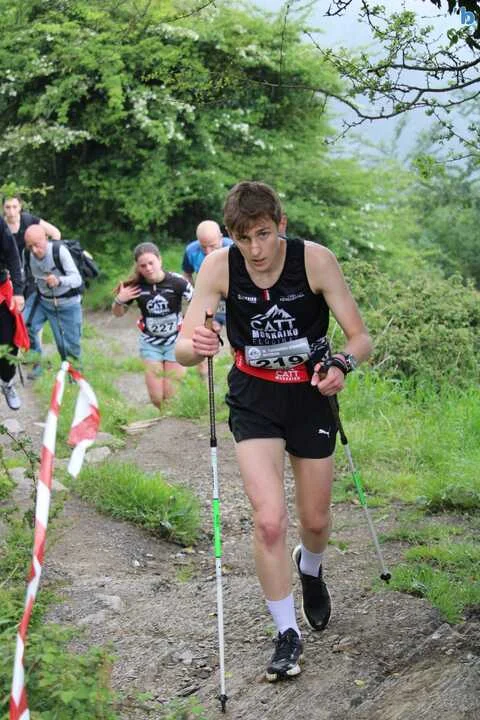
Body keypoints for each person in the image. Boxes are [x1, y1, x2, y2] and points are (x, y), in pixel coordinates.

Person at [176, 181, 372, 682]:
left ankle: (311, 567)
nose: (256, 250)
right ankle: (287, 633)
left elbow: (360, 338)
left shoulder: (315, 261)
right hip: (255, 398)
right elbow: (182, 349)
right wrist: (198, 345)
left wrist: (342, 365)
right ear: (230, 235)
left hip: (309, 395)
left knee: (316, 520)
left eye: (263, 234)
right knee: (268, 521)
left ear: (281, 225)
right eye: (243, 238)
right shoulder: (219, 265)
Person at [112, 242, 193, 410]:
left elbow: (198, 301)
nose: (148, 268)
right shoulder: (135, 287)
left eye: (151, 263)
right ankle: (163, 418)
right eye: (143, 265)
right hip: (150, 344)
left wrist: (189, 325)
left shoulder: (177, 282)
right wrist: (119, 300)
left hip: (175, 342)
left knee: (171, 397)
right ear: (138, 267)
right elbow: (118, 314)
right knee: (156, 398)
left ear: (159, 260)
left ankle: (171, 422)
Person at [4, 194, 62, 372]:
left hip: (32, 278)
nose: (11, 211)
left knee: (28, 320)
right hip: (9, 279)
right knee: (14, 319)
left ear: (20, 207)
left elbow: (55, 233)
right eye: (7, 207)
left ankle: (37, 359)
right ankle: (28, 355)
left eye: (14, 207)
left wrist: (48, 259)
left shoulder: (29, 220)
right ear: (3, 209)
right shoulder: (2, 225)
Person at [24, 224, 83, 367]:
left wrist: (59, 281)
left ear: (46, 238)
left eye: (37, 245)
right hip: (42, 300)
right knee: (25, 326)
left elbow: (77, 279)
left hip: (67, 303)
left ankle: (75, 376)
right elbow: (24, 275)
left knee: (67, 347)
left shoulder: (59, 251)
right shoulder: (26, 254)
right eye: (30, 246)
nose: (34, 250)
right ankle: (38, 365)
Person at [182, 220, 233, 378]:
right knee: (203, 334)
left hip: (231, 297)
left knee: (236, 336)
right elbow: (187, 273)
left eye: (212, 246)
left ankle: (238, 367)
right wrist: (195, 295)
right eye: (203, 247)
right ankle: (203, 376)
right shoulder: (191, 250)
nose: (208, 251)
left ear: (221, 237)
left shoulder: (233, 248)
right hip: (209, 297)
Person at [0, 217, 27, 410]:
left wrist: (18, 291)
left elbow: (12, 255)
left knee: (8, 341)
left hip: (1, 290)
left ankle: (7, 382)